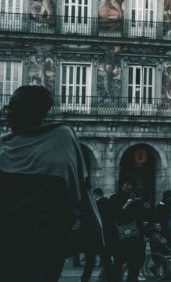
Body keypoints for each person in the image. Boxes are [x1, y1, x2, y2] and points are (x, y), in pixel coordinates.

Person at [0, 85, 98, 282]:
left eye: (13, 106)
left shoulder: (61, 139)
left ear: (32, 110)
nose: (6, 111)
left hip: (43, 241)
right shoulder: (4, 143)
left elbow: (77, 191)